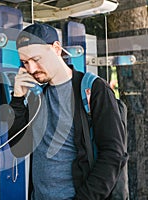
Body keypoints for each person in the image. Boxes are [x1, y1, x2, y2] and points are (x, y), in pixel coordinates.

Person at [7, 23, 127, 200]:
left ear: (56, 49)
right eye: (25, 62)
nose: (31, 69)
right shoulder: (37, 95)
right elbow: (19, 148)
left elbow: (113, 154)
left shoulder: (93, 89)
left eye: (36, 59)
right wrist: (18, 99)